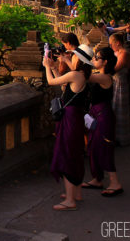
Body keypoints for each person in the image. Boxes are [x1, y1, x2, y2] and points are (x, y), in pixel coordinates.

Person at [43, 45, 93, 211]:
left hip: (70, 119)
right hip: (76, 118)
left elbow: (51, 82)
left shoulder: (75, 74)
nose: (72, 58)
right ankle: (76, 193)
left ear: (79, 59)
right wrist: (53, 68)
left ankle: (70, 200)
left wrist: (46, 67)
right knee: (76, 154)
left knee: (67, 154)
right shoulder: (82, 76)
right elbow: (65, 88)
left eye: (74, 56)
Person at [82, 47, 124, 197]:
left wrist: (77, 59)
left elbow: (84, 77)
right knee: (93, 147)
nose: (94, 60)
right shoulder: (98, 74)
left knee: (104, 148)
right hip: (95, 115)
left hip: (103, 117)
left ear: (105, 62)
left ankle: (115, 183)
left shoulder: (105, 77)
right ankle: (97, 179)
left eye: (97, 58)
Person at [109, 33, 130, 147]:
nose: (111, 46)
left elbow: (115, 69)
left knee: (120, 110)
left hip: (121, 84)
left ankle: (121, 138)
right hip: (115, 83)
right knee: (114, 109)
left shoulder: (124, 54)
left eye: (112, 44)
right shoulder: (117, 53)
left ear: (117, 43)